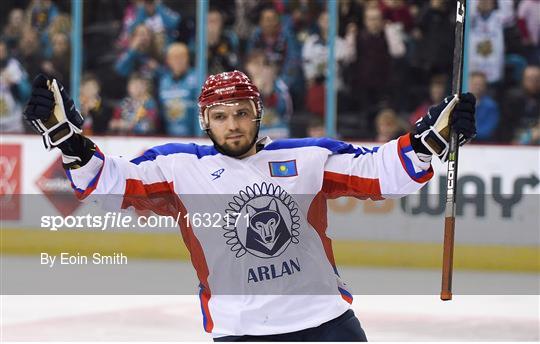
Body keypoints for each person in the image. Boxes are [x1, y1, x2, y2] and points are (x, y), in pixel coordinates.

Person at [23, 71, 477, 341]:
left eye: (241, 112)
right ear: (205, 120)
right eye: (220, 116)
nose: (233, 125)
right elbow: (110, 182)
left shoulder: (305, 157)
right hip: (242, 330)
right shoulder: (178, 168)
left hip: (326, 323)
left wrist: (427, 139)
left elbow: (381, 172)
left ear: (258, 112)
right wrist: (70, 142)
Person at [157, 42, 198, 136]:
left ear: (187, 58)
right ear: (168, 61)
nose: (178, 61)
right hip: (170, 135)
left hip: (194, 136)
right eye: (174, 58)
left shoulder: (197, 78)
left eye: (181, 57)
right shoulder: (164, 81)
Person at [468, 71, 500, 142]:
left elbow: (488, 131)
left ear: (485, 86)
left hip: (483, 144)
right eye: (475, 84)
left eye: (480, 84)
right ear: (469, 84)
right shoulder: (460, 103)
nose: (477, 87)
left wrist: (468, 133)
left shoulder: (491, 106)